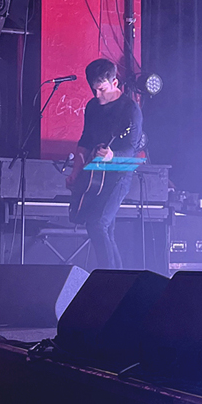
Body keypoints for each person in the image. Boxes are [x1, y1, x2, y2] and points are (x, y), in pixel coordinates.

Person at [67, 58, 143, 269]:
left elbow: (131, 150)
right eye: (93, 90)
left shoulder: (130, 110)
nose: (97, 96)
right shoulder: (92, 106)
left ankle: (107, 278)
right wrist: (75, 171)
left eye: (101, 89)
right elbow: (84, 140)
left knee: (97, 224)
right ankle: (118, 279)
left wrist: (112, 155)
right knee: (105, 229)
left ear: (115, 83)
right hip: (93, 176)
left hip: (118, 175)